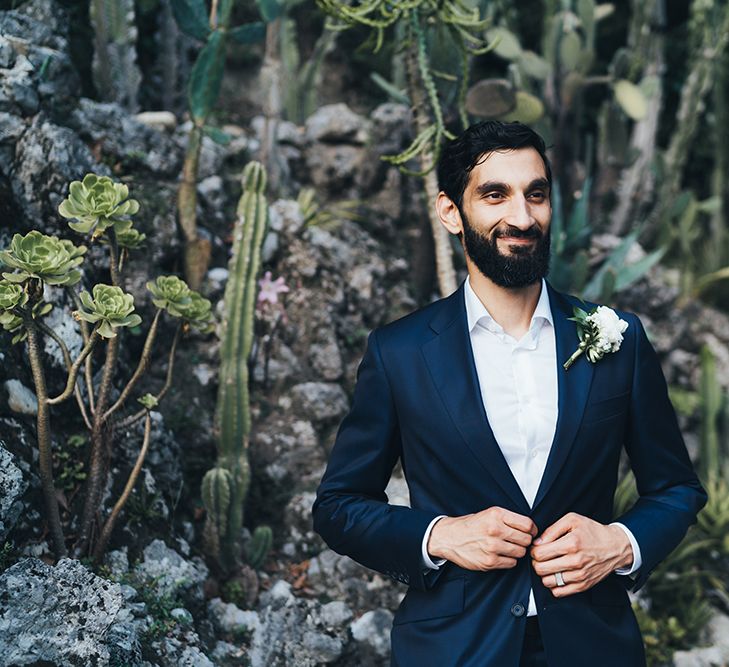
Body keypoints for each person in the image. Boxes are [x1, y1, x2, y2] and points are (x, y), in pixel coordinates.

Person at [311, 120, 707, 666]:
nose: (522, 217)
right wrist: (440, 535)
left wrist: (621, 543)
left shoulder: (620, 338)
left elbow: (677, 489)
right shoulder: (398, 353)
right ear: (451, 211)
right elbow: (338, 507)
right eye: (495, 195)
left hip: (592, 644)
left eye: (535, 194)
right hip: (454, 647)